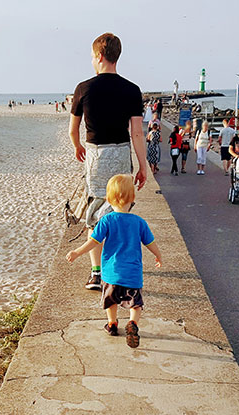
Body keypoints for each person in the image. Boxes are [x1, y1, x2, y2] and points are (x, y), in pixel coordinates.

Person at [69, 32, 148, 291]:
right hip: (122, 154)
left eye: (93, 56)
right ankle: (118, 270)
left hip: (96, 156)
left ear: (99, 56)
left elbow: (73, 130)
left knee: (95, 212)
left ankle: (96, 273)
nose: (92, 60)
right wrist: (142, 165)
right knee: (120, 210)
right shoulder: (132, 90)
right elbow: (137, 132)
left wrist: (78, 146)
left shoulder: (83, 88)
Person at [67, 174, 162, 348]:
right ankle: (133, 323)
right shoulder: (139, 222)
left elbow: (93, 242)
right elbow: (150, 242)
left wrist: (77, 252)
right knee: (135, 304)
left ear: (108, 199)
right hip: (132, 275)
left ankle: (112, 324)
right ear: (132, 198)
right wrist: (158, 255)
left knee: (110, 301)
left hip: (111, 275)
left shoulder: (106, 220)